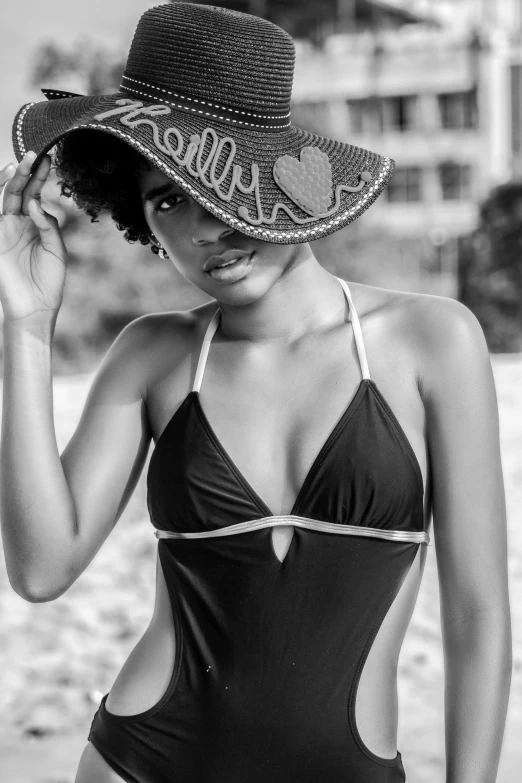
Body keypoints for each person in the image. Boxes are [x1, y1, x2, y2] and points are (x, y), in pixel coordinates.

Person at [0, 3, 512, 782]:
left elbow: (477, 614)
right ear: (141, 224)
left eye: (222, 181)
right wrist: (28, 326)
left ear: (287, 176)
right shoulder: (155, 355)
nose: (206, 225)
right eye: (166, 199)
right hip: (141, 764)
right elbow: (41, 571)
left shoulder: (430, 340)